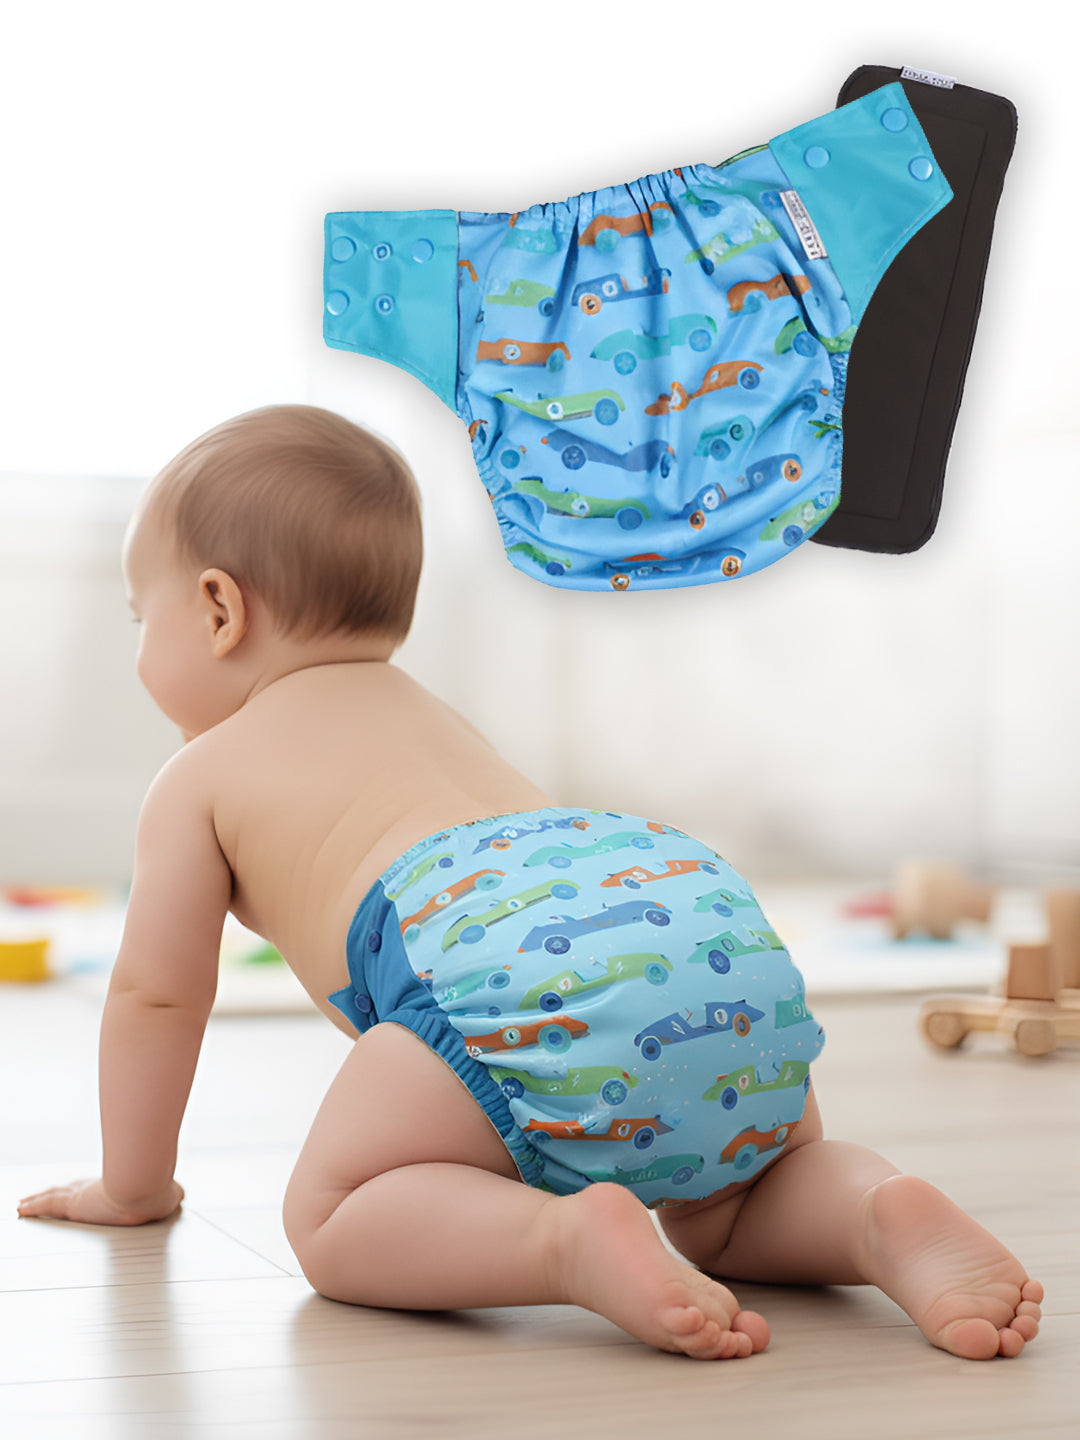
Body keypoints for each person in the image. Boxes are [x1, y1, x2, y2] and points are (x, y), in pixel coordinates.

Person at [17, 405, 1042, 1362]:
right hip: (688, 919)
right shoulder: (431, 715)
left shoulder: (203, 774)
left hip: (492, 965)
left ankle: (562, 1241)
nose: (139, 646)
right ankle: (874, 1212)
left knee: (332, 1213)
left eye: (137, 614)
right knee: (730, 1202)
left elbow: (158, 996)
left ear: (216, 609)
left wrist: (133, 1185)